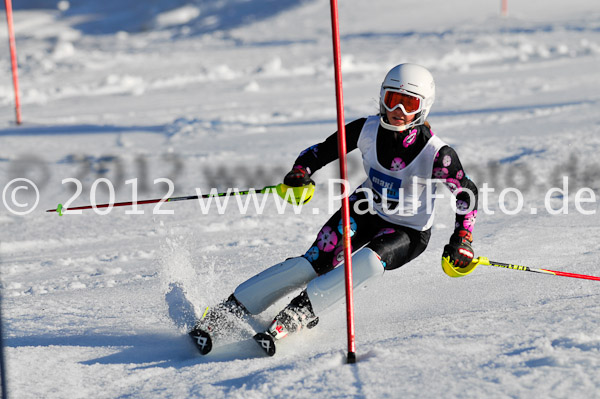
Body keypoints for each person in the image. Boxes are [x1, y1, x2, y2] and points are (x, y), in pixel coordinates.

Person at [190, 63, 479, 353]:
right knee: (312, 263)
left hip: (408, 231)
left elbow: (466, 192)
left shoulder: (436, 154)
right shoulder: (366, 129)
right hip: (365, 208)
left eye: (408, 104)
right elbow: (320, 151)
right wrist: (300, 172)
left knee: (366, 263)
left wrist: (462, 238)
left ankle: (302, 311)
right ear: (382, 97)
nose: (398, 112)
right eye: (393, 100)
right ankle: (231, 309)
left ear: (423, 108)